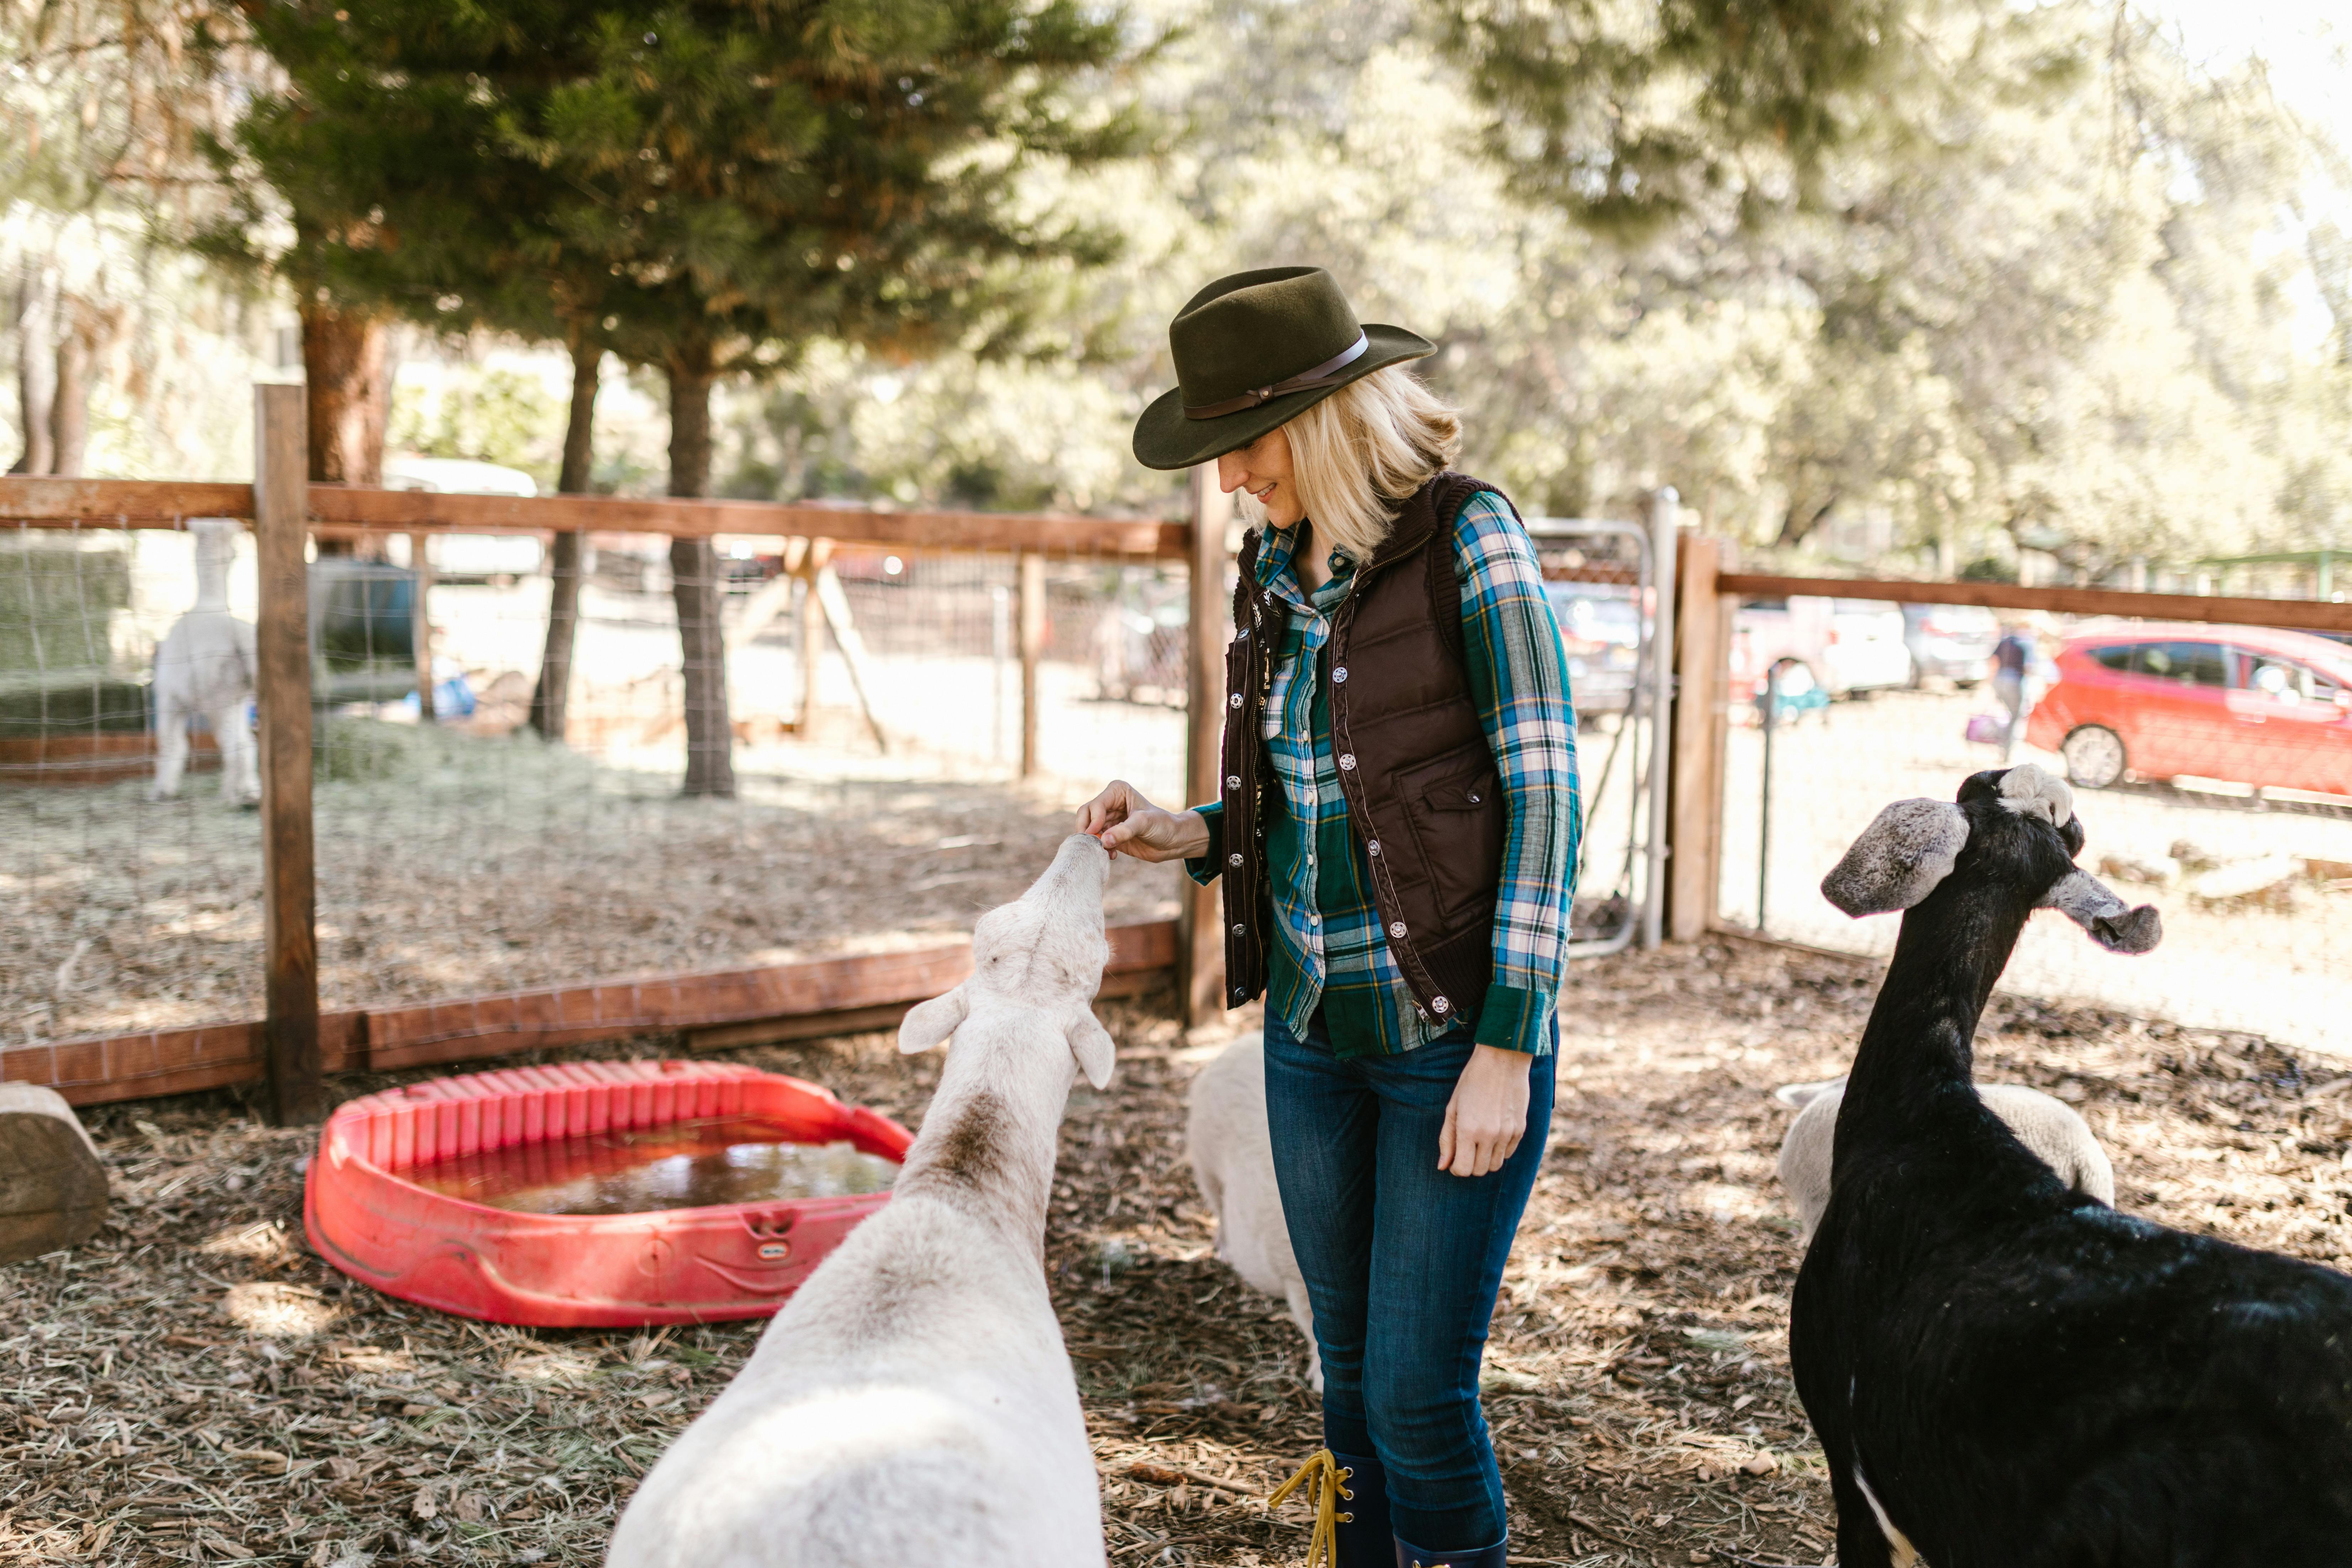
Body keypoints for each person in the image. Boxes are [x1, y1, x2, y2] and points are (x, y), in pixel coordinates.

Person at [1077, 267, 1581, 1568]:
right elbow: (1306, 790)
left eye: (1241, 447)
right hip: (1308, 1033)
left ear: (1315, 422)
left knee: (1420, 1401)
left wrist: (1508, 1049)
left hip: (1450, 1041)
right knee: (1348, 1391)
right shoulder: (1270, 567)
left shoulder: (1473, 537)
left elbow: (1545, 800)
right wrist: (1191, 830)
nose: (1233, 479)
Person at [1992, 621, 2035, 764]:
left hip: (1999, 680)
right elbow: (2028, 668)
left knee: (2006, 716)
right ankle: (2007, 754)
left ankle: (2001, 749)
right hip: (2013, 682)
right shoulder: (2025, 644)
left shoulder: (2005, 642)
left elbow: (1993, 660)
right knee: (2015, 719)